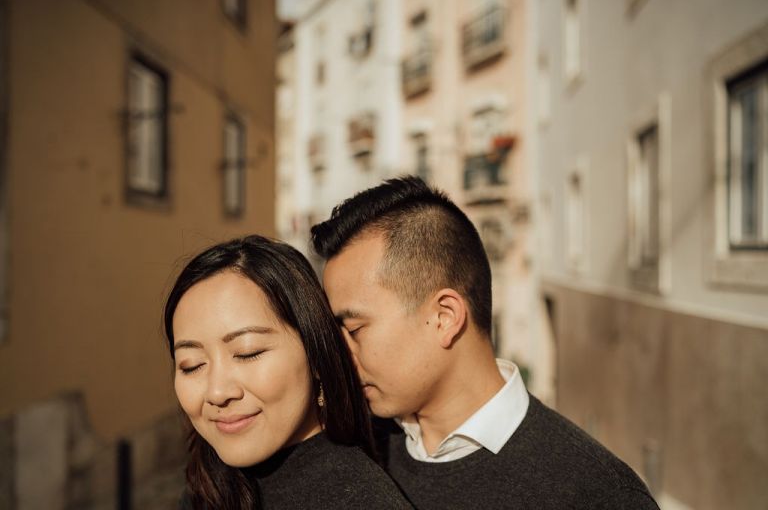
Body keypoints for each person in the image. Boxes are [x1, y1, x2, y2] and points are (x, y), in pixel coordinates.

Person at [311, 176, 659, 509]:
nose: (341, 352)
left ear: (445, 317)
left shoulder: (597, 493)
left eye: (354, 329)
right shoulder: (355, 452)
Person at [164, 235, 412, 509]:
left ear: (316, 355)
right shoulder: (207, 486)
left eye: (248, 352)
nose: (217, 392)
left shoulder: (361, 499)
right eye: (192, 365)